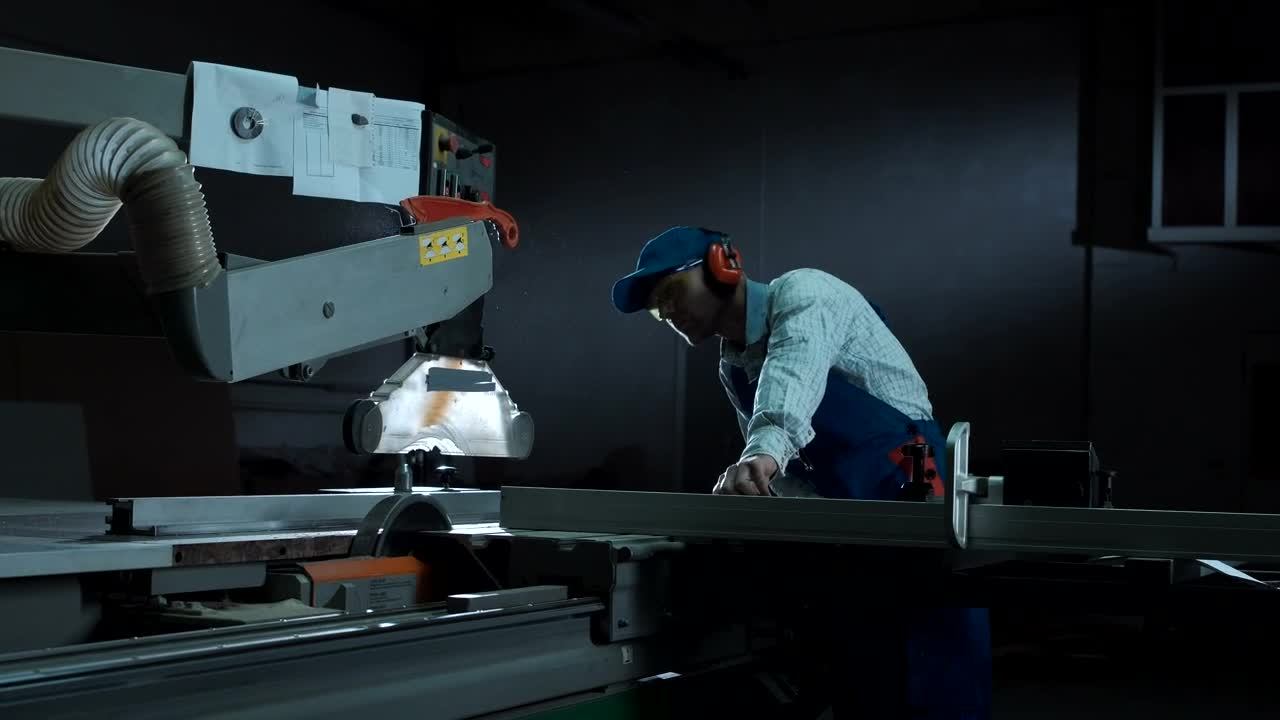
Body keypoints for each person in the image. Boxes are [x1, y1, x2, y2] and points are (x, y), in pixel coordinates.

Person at [611, 225, 991, 719]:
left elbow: (793, 376)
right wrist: (756, 497)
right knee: (866, 649)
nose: (670, 314)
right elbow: (779, 461)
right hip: (844, 504)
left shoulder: (804, 293)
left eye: (673, 293)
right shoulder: (735, 367)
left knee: (931, 625)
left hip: (912, 469)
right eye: (659, 310)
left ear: (723, 265)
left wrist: (760, 459)